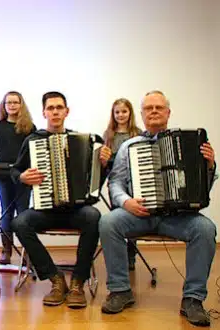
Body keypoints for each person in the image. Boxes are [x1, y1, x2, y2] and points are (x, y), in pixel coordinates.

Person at [99, 90, 217, 327]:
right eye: (148, 108)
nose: (153, 111)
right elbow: (116, 182)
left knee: (205, 228)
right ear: (141, 114)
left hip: (178, 217)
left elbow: (206, 184)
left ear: (168, 113)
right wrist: (125, 202)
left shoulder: (190, 141)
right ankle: (120, 290)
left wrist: (211, 165)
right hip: (140, 214)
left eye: (158, 108)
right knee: (108, 222)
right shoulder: (130, 145)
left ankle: (193, 299)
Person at [10, 91, 111, 309]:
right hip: (44, 210)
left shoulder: (85, 141)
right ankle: (55, 279)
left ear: (66, 111)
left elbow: (95, 181)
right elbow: (15, 170)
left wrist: (104, 164)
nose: (55, 112)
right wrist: (22, 176)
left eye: (59, 107)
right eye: (51, 108)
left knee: (93, 216)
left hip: (75, 211)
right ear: (44, 112)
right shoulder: (33, 140)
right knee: (19, 223)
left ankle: (77, 283)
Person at [0, 91, 36, 264]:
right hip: (3, 175)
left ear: (21, 104)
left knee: (23, 213)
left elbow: (36, 152)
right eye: (9, 103)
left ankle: (27, 252)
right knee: (6, 212)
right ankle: (7, 250)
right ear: (4, 106)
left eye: (15, 102)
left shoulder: (30, 127)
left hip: (23, 176)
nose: (12, 105)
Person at [102, 98, 143, 270]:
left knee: (133, 216)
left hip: (134, 182)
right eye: (117, 112)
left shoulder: (137, 133)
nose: (120, 115)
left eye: (124, 111)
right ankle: (118, 255)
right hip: (115, 181)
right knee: (117, 216)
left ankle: (131, 254)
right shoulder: (108, 135)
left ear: (130, 113)